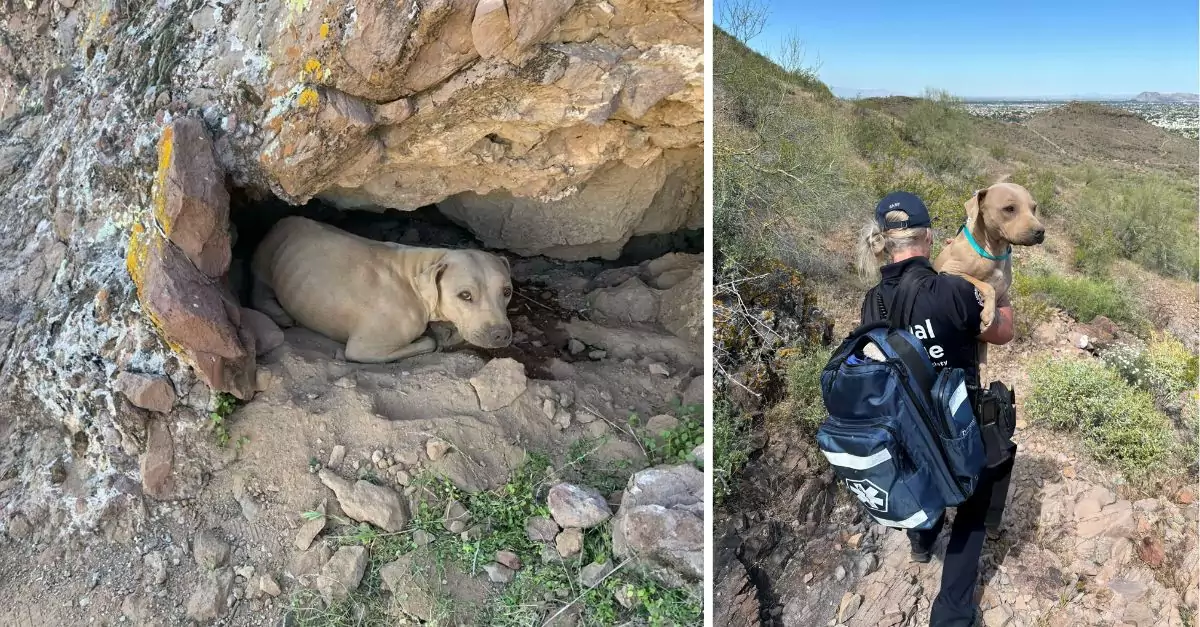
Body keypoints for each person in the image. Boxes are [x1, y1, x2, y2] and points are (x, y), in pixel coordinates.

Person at [855, 191, 1017, 627]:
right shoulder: (953, 289)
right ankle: (951, 612)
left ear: (884, 244)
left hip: (904, 426)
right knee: (973, 507)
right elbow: (1002, 332)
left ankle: (922, 543)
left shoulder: (873, 301)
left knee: (919, 477)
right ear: (929, 238)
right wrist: (1002, 296)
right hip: (958, 423)